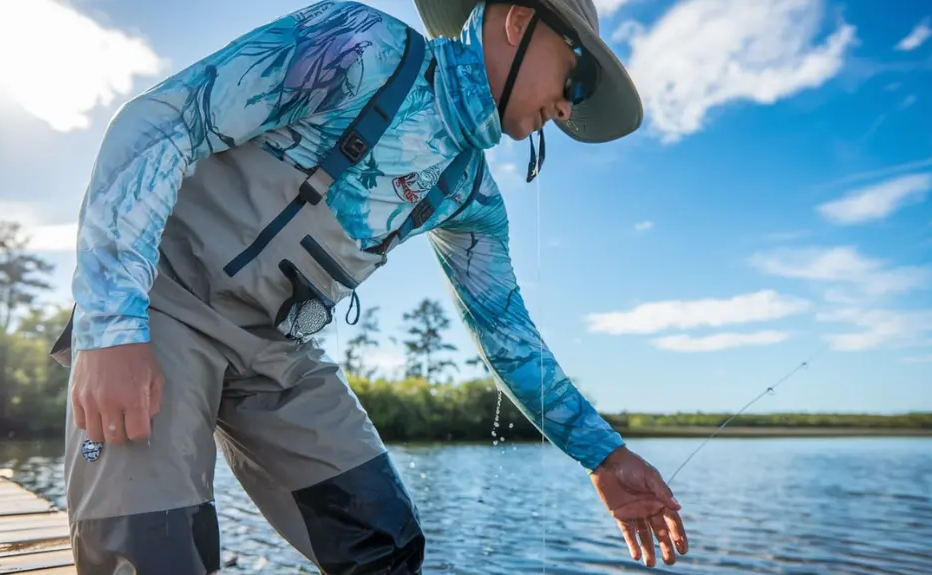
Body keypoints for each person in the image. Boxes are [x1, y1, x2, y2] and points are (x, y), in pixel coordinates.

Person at [50, 0, 689, 572]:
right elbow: (160, 123)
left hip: (274, 352)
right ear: (518, 20)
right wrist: (111, 329)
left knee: (384, 544)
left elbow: (507, 337)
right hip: (161, 308)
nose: (569, 107)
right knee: (147, 546)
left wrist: (604, 457)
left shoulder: (471, 198)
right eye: (577, 78)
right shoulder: (360, 45)